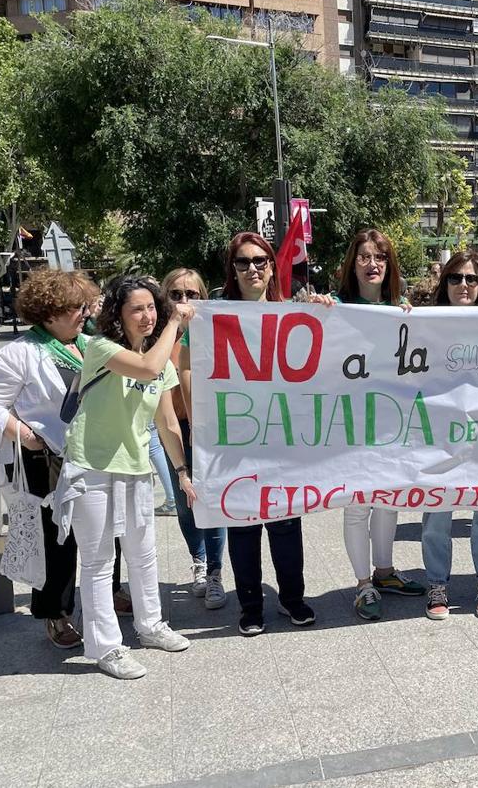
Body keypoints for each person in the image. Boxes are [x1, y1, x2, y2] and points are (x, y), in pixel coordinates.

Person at [55, 275, 193, 679]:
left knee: (143, 552)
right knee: (99, 560)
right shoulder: (102, 348)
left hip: (134, 467)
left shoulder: (157, 351)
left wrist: (182, 470)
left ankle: (150, 625)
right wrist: (174, 323)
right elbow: (150, 368)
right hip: (92, 466)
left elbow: (167, 420)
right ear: (119, 313)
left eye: (153, 307)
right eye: (138, 308)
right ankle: (106, 647)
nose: (147, 316)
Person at [182, 233, 315, 635]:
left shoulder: (291, 312)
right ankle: (250, 606)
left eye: (260, 260)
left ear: (273, 266)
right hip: (232, 437)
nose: (252, 268)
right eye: (243, 262)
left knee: (286, 523)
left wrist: (324, 308)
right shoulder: (211, 316)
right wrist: (198, 423)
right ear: (233, 269)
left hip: (280, 436)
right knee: (241, 523)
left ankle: (292, 599)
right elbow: (187, 367)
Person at [0, 269, 99, 650]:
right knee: (57, 539)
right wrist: (25, 435)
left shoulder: (91, 343)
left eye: (84, 304)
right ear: (48, 314)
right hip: (48, 458)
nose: (84, 312)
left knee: (101, 530)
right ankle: (55, 613)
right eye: (74, 307)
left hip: (95, 454)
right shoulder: (20, 353)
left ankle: (105, 598)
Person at [320, 229, 426, 620]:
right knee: (358, 504)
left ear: (389, 264)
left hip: (391, 421)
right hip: (350, 423)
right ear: (353, 264)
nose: (372, 264)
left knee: (389, 500)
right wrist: (314, 309)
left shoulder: (400, 307)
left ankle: (385, 572)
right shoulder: (334, 306)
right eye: (364, 256)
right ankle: (363, 584)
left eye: (379, 256)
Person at [421, 250, 478, 620]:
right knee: (437, 512)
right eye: (456, 278)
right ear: (445, 284)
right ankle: (437, 584)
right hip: (439, 433)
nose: (464, 285)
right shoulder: (426, 323)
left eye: (472, 279)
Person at [161, 268, 227, 611]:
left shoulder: (217, 333)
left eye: (192, 294)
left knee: (212, 501)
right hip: (172, 430)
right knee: (184, 503)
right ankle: (199, 561)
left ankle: (215, 572)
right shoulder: (158, 338)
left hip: (213, 430)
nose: (184, 302)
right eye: (176, 294)